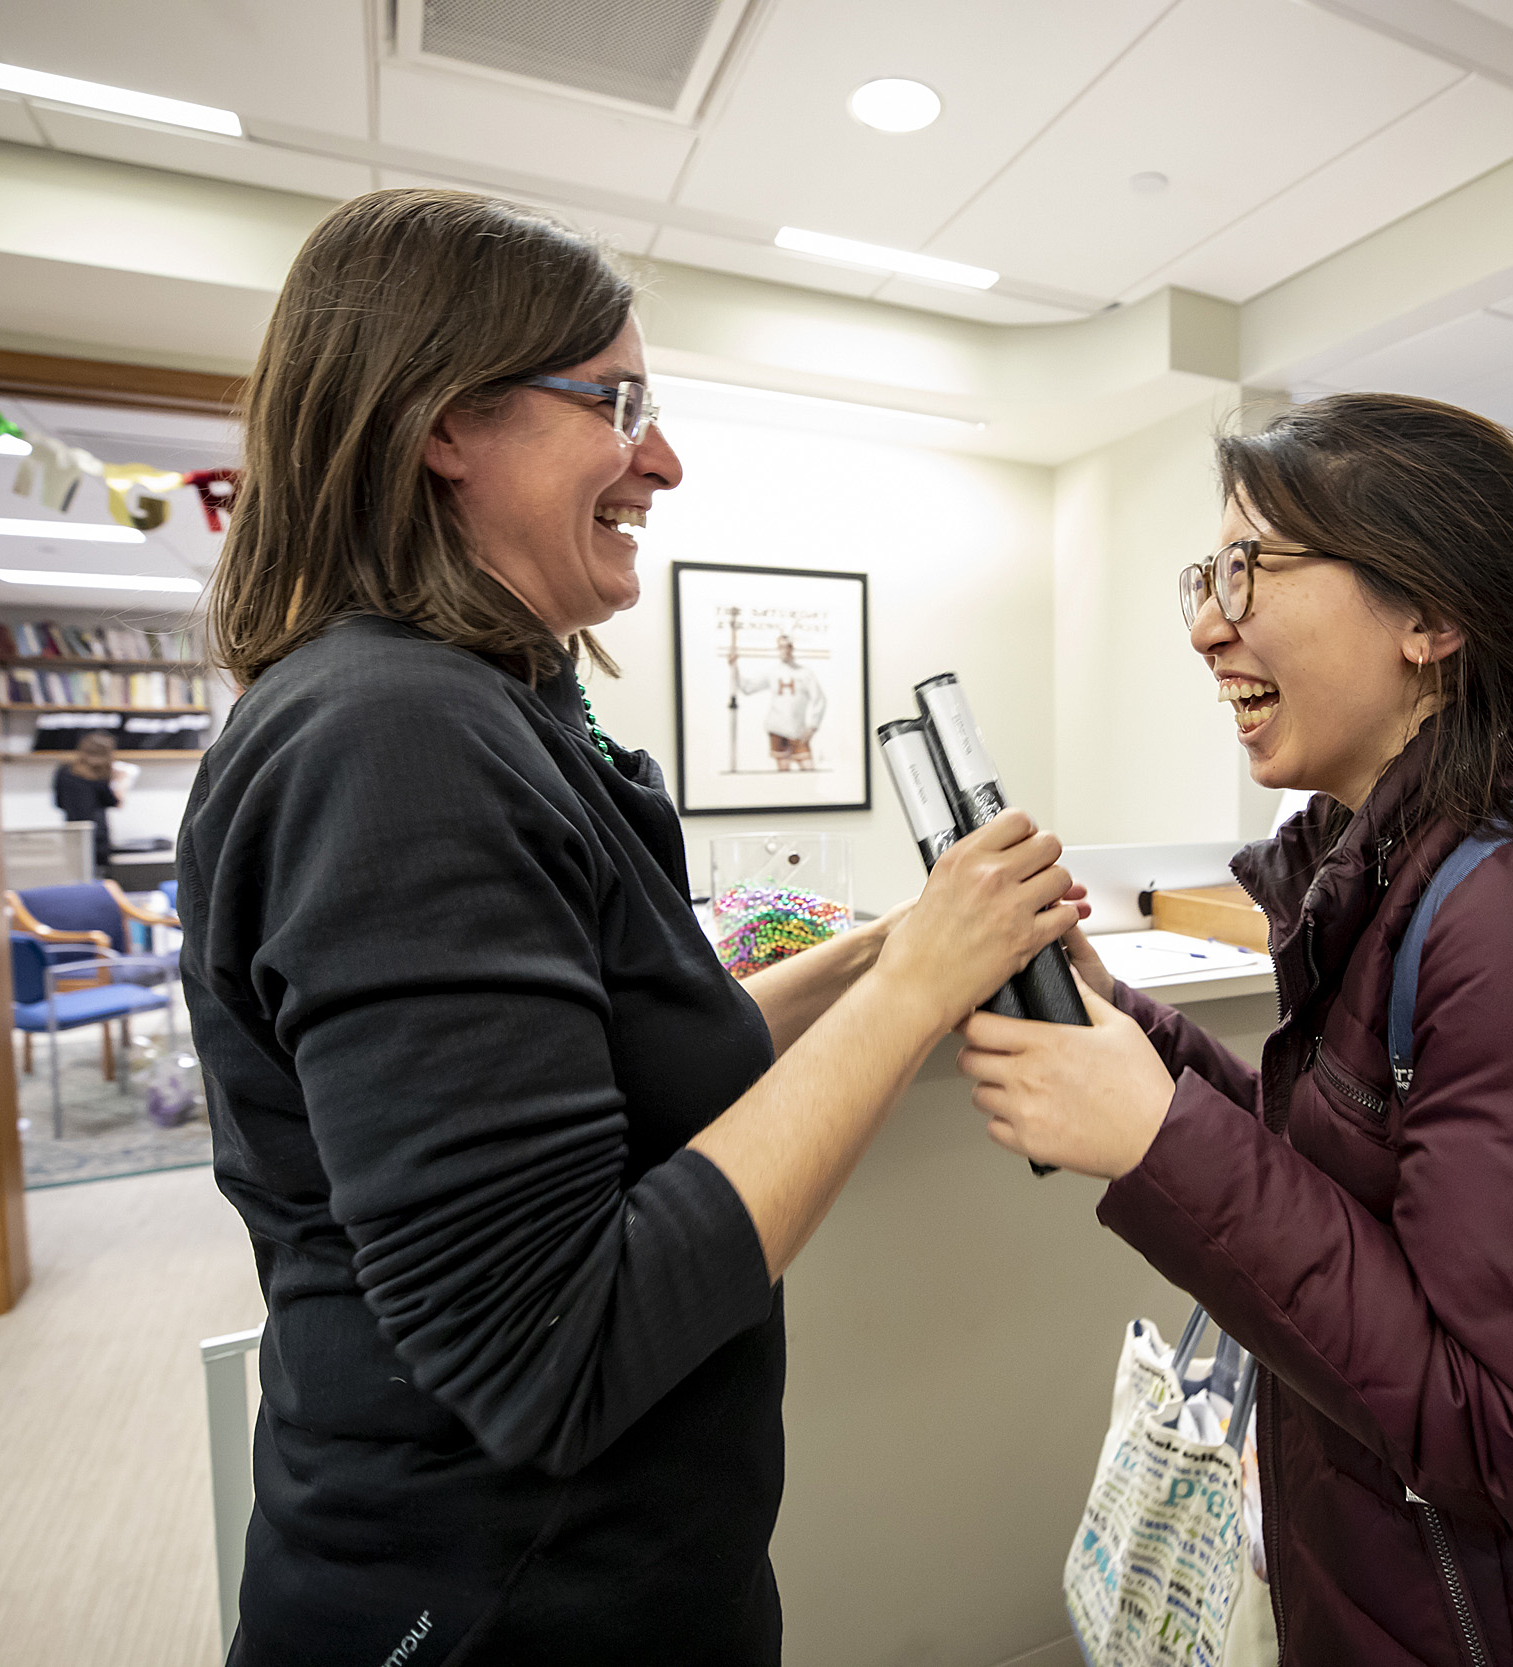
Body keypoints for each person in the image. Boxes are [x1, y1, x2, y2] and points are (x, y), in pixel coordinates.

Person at [178, 189, 1079, 1666]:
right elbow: (554, 1346)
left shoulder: (494, 706)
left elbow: (658, 1061)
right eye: (617, 402)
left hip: (638, 1573)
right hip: (495, 1606)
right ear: (442, 421)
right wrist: (912, 992)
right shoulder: (391, 741)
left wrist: (903, 940)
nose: (663, 457)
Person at [956, 394, 1513, 1665]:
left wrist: (1155, 1139)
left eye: (1249, 569)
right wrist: (1126, 1030)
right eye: (1204, 577)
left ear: (1431, 618)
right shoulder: (1388, 869)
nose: (1210, 624)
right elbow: (1358, 1195)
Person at [731, 632, 825, 771]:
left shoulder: (805, 673)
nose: (785, 650)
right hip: (776, 728)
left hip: (797, 730)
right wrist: (734, 667)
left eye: (788, 647)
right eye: (781, 647)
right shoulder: (773, 672)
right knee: (783, 772)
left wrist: (813, 726)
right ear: (778, 649)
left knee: (808, 768)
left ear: (792, 648)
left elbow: (819, 699)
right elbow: (748, 688)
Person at [51, 728, 135, 874]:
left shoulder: (63, 771)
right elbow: (116, 802)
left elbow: (58, 803)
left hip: (72, 833)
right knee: (100, 877)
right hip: (98, 837)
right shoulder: (99, 776)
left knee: (75, 875)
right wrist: (121, 781)